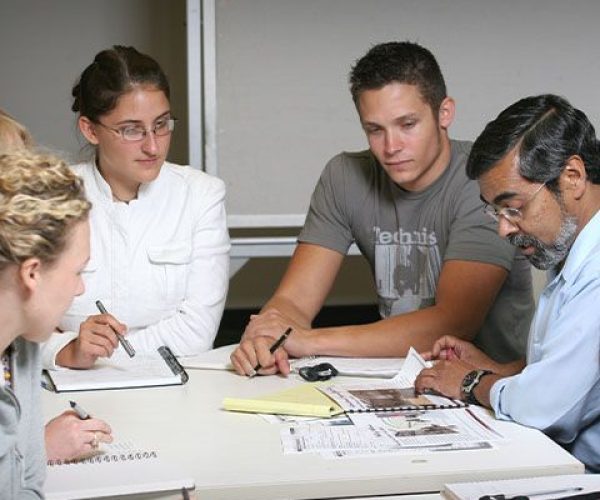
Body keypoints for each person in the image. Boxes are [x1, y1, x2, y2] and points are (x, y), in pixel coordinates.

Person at [231, 41, 534, 376]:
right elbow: (293, 302)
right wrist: (265, 338)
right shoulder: (344, 176)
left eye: (407, 125)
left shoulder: (483, 178)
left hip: (490, 390)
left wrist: (306, 341)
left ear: (444, 113)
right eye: (375, 130)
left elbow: (452, 323)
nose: (391, 147)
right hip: (392, 379)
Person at [414, 94, 600, 472]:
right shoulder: (570, 249)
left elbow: (545, 408)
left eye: (514, 207)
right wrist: (502, 371)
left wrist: (470, 381)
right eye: (495, 211)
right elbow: (571, 372)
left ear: (573, 177)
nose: (503, 228)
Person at [41, 46, 230, 370]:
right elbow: (19, 314)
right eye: (131, 129)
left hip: (177, 386)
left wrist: (98, 352)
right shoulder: (53, 195)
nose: (153, 145)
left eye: (161, 124)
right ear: (90, 129)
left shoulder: (201, 194)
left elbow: (197, 330)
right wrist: (67, 349)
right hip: (70, 384)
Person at [0, 110, 113, 463]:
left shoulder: (24, 345)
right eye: (77, 272)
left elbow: (27, 485)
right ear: (31, 272)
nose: (80, 289)